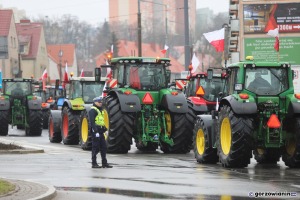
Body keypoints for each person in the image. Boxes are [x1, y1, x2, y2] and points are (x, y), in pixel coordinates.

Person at [89, 96, 113, 168]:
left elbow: (101, 122)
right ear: (95, 102)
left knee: (104, 147)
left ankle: (104, 163)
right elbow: (92, 122)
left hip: (101, 131)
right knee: (95, 147)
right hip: (95, 131)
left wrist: (105, 130)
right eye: (99, 102)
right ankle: (94, 163)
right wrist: (95, 131)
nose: (100, 103)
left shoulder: (100, 110)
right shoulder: (93, 110)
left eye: (101, 102)